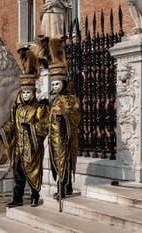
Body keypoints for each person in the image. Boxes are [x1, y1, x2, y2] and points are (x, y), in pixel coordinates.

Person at [0, 48, 49, 208]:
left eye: (29, 92)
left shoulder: (39, 108)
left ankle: (35, 196)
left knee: (33, 173)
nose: (26, 95)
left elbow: (44, 125)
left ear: (33, 92)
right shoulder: (17, 108)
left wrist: (31, 128)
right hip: (18, 149)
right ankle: (18, 198)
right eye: (24, 92)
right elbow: (11, 126)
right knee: (19, 175)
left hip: (33, 148)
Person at [48, 63, 80, 199]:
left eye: (57, 84)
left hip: (66, 137)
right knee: (57, 163)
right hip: (54, 138)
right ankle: (68, 187)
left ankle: (62, 188)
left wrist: (64, 116)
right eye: (53, 84)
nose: (55, 87)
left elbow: (75, 116)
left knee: (64, 162)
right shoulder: (54, 100)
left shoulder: (72, 99)